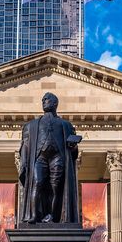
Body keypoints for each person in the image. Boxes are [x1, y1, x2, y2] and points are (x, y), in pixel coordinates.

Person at [19, 92, 80, 224]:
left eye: (47, 100)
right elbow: (25, 146)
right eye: (43, 100)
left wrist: (73, 147)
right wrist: (23, 163)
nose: (44, 101)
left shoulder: (66, 125)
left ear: (55, 103)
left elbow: (73, 153)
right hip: (40, 157)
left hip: (57, 157)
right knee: (37, 182)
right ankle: (34, 215)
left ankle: (52, 216)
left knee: (56, 187)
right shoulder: (31, 125)